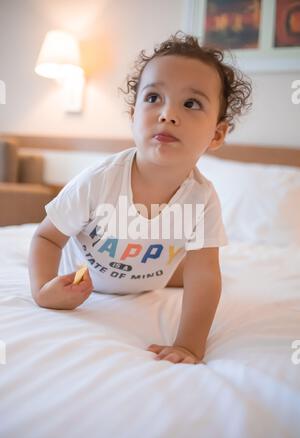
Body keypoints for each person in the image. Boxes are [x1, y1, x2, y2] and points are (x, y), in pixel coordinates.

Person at [28, 31, 252, 365]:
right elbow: (46, 236)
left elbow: (204, 274)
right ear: (133, 114)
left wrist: (189, 344)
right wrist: (43, 290)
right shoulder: (99, 181)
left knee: (199, 267)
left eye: (191, 104)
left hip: (152, 277)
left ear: (217, 133)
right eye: (153, 98)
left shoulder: (201, 199)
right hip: (85, 278)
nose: (167, 114)